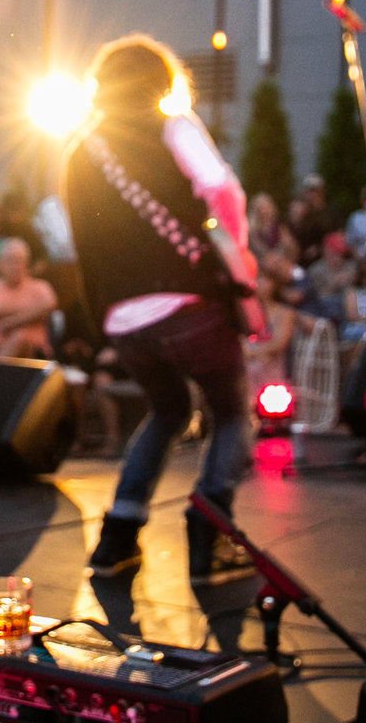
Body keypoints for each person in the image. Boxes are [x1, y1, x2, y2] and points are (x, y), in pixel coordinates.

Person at [69, 36, 259, 583]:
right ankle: (210, 532)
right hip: (187, 305)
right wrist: (234, 249)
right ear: (162, 81)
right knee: (230, 413)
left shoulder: (80, 151)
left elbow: (80, 244)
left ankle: (117, 538)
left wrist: (103, 316)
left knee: (169, 410)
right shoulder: (172, 125)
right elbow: (221, 186)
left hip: (123, 320)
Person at [0, 238, 58, 359]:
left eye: (20, 260)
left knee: (22, 339)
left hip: (37, 355)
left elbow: (49, 304)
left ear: (27, 263)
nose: (15, 266)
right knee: (20, 339)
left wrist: (10, 322)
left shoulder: (41, 286)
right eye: (10, 261)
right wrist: (34, 311)